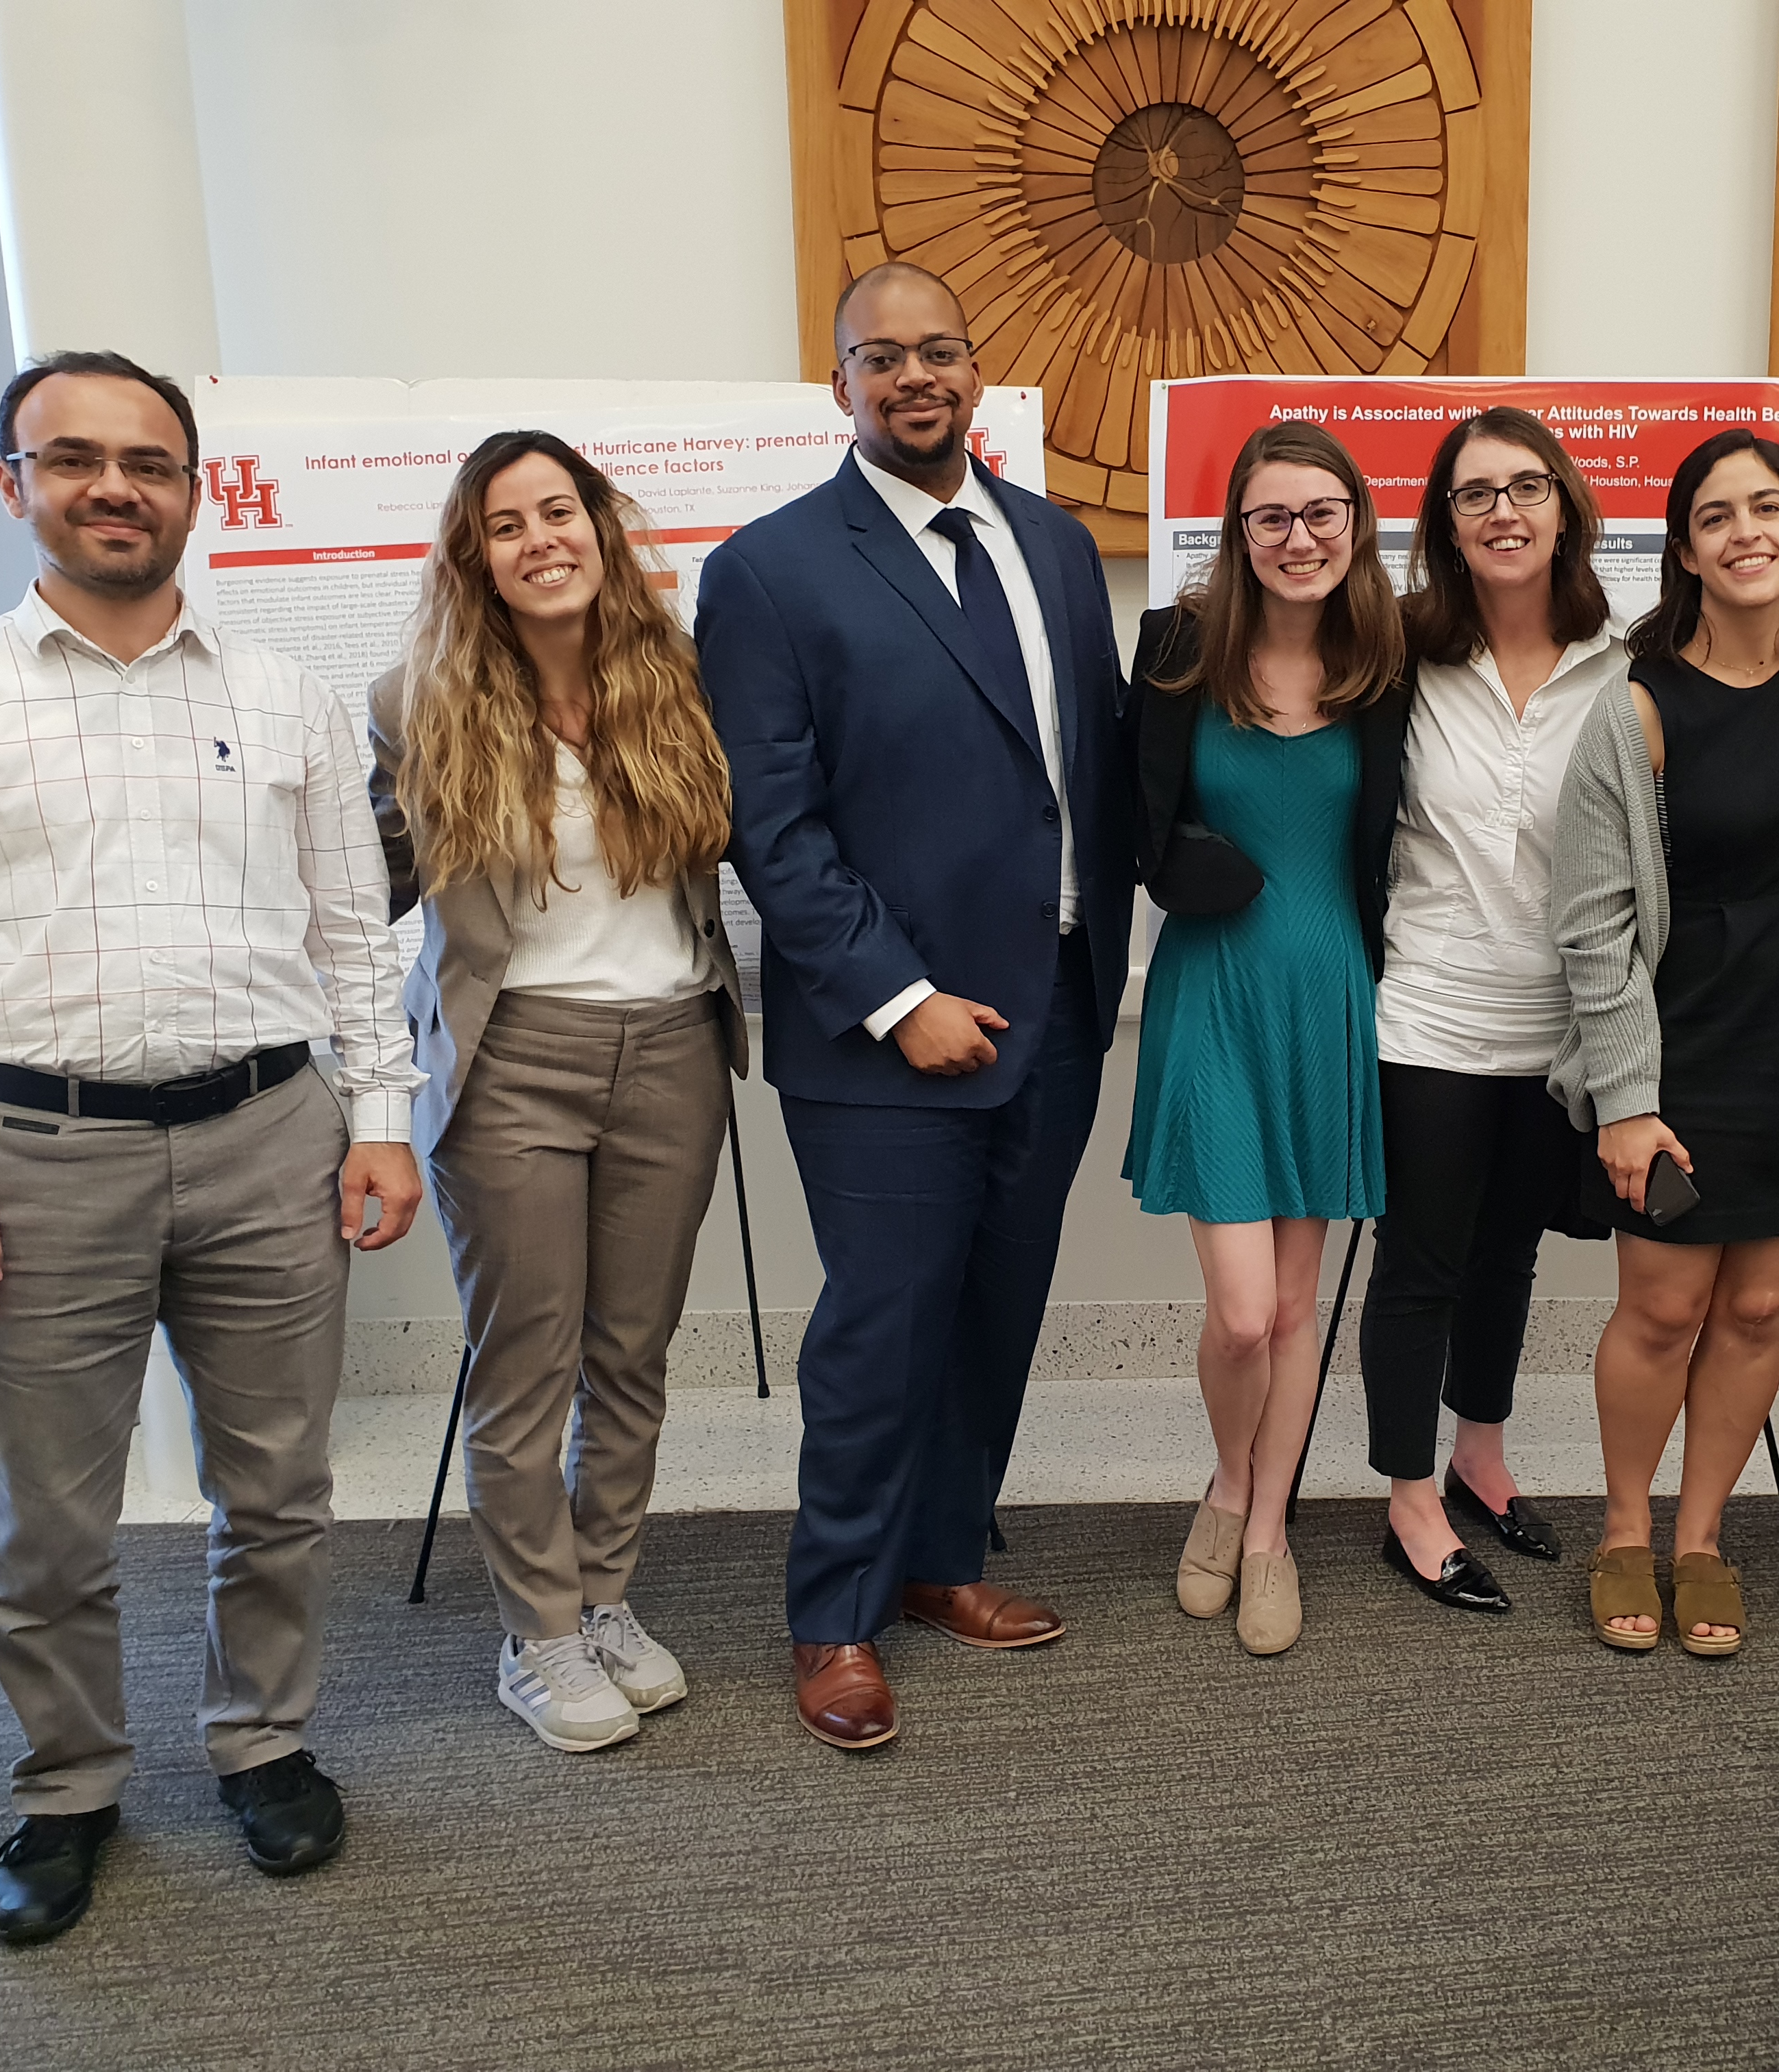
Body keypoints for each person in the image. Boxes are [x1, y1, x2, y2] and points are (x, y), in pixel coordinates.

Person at [0, 352, 423, 1943]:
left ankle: (265, 1742)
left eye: (151, 461)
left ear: (194, 488)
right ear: (11, 484)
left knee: (280, 1487)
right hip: (33, 1154)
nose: (117, 486)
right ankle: (67, 1786)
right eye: (76, 458)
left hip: (269, 1137)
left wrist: (380, 1122)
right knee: (49, 1516)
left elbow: (355, 937)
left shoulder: (286, 697)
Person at [695, 263, 1130, 1751]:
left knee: (997, 1312)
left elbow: (1087, 770)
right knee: (881, 1329)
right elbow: (777, 827)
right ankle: (834, 1615)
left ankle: (944, 1557)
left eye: (937, 351)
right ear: (841, 388)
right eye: (880, 359)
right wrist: (897, 996)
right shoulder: (767, 570)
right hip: (889, 1039)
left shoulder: (1059, 550)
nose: (913, 378)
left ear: (977, 370)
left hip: (1057, 1010)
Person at [369, 431, 743, 1753]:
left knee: (631, 1358)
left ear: (600, 524)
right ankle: (538, 1635)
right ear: (474, 558)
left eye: (559, 511)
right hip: (514, 1058)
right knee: (527, 1369)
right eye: (506, 525)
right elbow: (362, 903)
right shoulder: (415, 704)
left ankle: (602, 1598)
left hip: (676, 1050)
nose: (541, 541)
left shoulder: (687, 680)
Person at [1550, 430, 1779, 1655]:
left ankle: (1703, 1539)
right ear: (1686, 550)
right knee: (1661, 1311)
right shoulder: (1635, 706)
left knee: (1757, 1310)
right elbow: (1593, 930)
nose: (1746, 531)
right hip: (1682, 1055)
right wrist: (1625, 1100)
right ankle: (1624, 1532)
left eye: (1769, 508)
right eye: (1716, 516)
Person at [1128, 421, 1404, 1657]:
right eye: (1272, 518)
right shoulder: (1181, 648)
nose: (1300, 540)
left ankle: (1266, 1528)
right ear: (1239, 533)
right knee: (1242, 1313)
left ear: (1357, 524)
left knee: (1296, 1307)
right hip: (1217, 994)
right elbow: (1137, 830)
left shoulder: (1387, 661)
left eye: (1322, 514)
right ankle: (1230, 1483)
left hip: (1331, 994)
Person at [1358, 408, 1621, 1616]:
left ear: (1564, 506)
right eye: (1475, 494)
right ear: (1446, 525)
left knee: (1508, 1254)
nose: (1503, 511)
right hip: (1430, 1011)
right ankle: (1410, 1495)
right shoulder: (1400, 653)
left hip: (1566, 1021)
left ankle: (1482, 1454)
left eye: (1526, 487)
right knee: (1422, 1261)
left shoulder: (1625, 658)